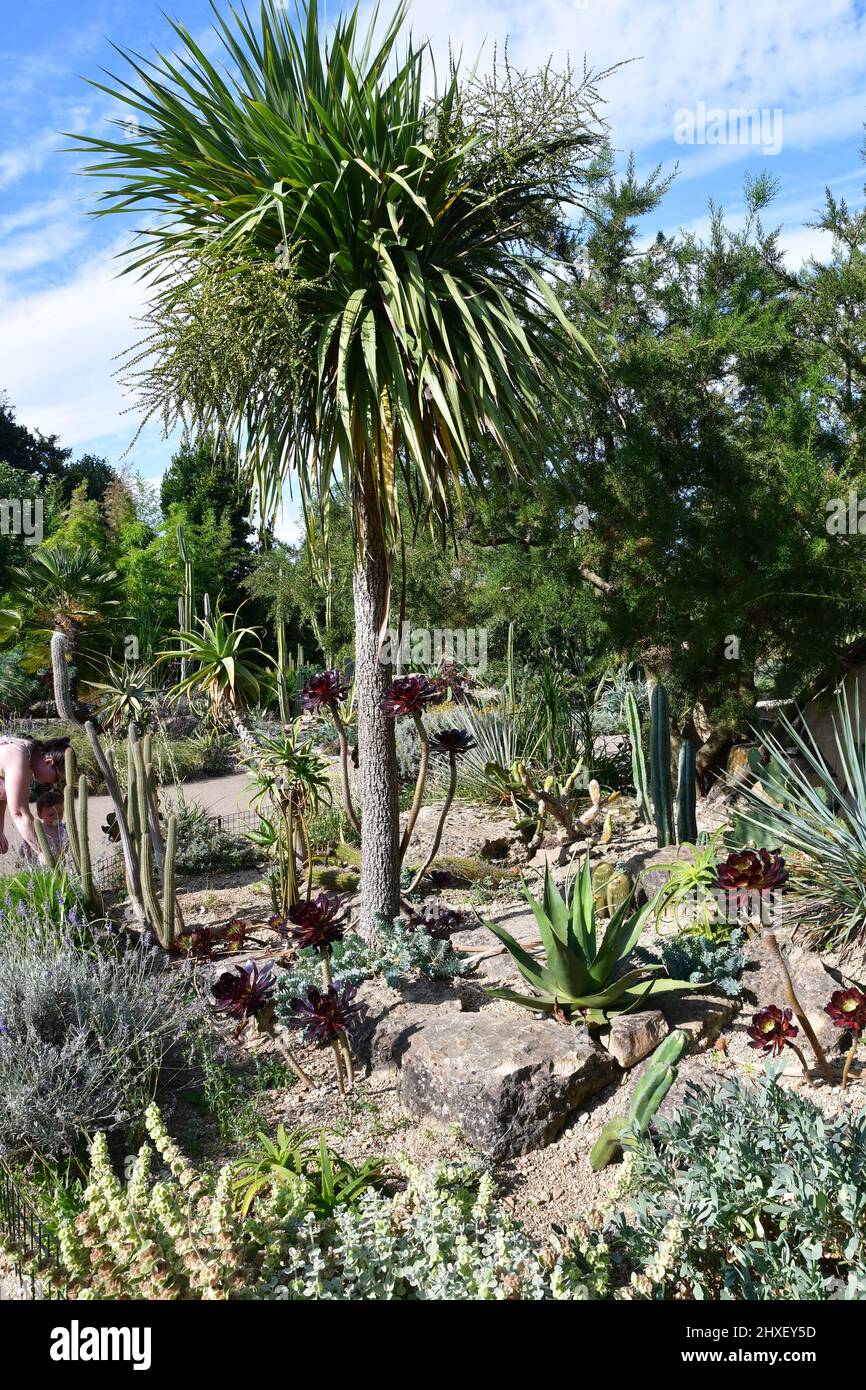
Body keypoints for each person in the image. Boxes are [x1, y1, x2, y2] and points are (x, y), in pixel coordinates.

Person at [0, 734, 69, 859]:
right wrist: (43, 853)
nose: (54, 783)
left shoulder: (24, 751)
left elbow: (2, 794)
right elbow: (19, 813)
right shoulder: (19, 757)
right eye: (56, 778)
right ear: (49, 762)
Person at [20, 789, 69, 866]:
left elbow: (68, 846)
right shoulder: (37, 830)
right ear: (40, 815)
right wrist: (22, 856)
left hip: (59, 866)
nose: (56, 817)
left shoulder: (64, 829)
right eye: (51, 815)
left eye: (60, 813)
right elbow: (26, 844)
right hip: (39, 866)